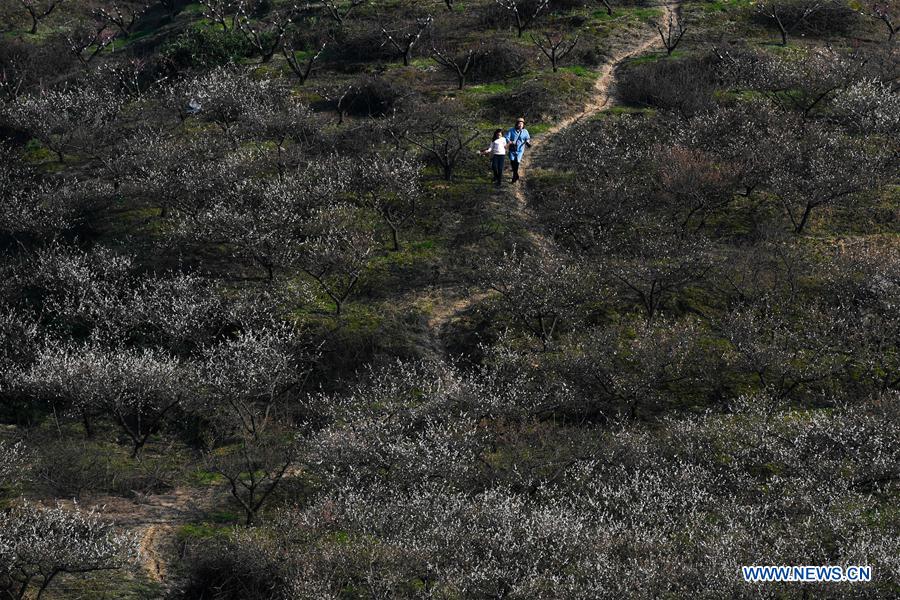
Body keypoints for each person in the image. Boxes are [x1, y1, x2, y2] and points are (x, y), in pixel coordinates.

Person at [505, 117, 532, 183]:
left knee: (517, 162)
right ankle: (516, 175)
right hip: (512, 149)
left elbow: (527, 138)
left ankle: (514, 177)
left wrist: (527, 142)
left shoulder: (525, 131)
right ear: (516, 124)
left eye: (522, 124)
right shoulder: (511, 130)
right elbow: (506, 137)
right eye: (519, 123)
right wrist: (511, 142)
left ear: (523, 125)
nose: (520, 125)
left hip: (520, 149)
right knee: (512, 162)